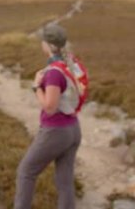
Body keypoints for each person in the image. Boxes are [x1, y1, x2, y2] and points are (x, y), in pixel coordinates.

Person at [14, 24, 82, 209]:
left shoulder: (53, 72)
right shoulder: (72, 63)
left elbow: (50, 107)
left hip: (56, 131)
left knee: (25, 172)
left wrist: (36, 87)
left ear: (49, 45)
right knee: (65, 181)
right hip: (74, 129)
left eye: (42, 41)